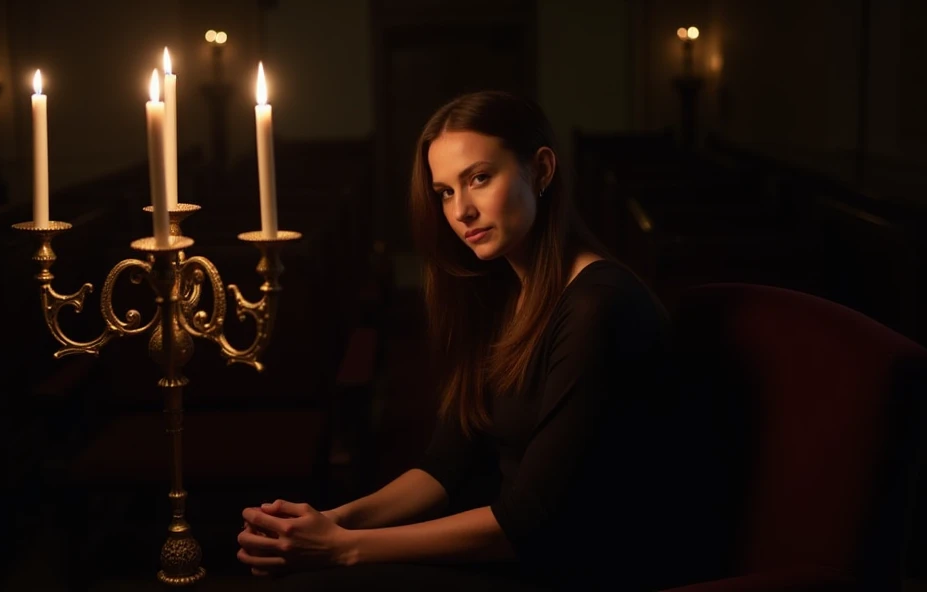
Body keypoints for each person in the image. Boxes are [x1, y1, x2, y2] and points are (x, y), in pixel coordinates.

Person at [237, 90, 678, 590]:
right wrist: (333, 521)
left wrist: (343, 549)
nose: (461, 211)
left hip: (578, 570)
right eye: (445, 191)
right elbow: (444, 466)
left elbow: (529, 521)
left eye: (480, 178)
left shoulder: (600, 306)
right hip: (516, 551)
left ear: (542, 170)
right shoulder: (502, 293)